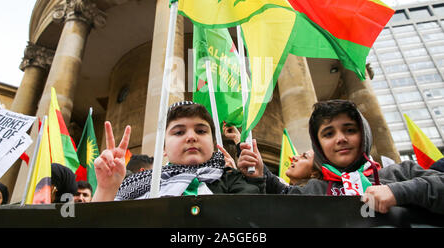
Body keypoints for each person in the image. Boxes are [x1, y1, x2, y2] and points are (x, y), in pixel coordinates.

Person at [238, 99, 444, 214]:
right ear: (319, 146)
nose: (340, 139)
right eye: (328, 134)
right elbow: (279, 198)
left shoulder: (401, 172)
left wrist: (397, 191)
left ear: (364, 135)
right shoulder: (312, 190)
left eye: (350, 130)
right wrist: (260, 172)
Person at [92, 101, 265, 202]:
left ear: (213, 144)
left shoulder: (231, 179)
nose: (191, 137)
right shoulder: (137, 184)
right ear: (164, 149)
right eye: (179, 132)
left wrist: (255, 180)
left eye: (201, 131)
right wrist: (107, 190)